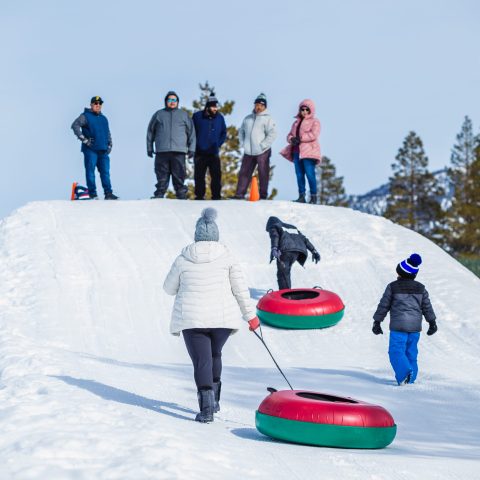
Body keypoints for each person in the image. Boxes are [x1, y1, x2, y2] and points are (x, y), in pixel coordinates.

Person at [163, 208, 260, 423]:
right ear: (216, 235)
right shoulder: (228, 258)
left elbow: (168, 288)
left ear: (196, 236)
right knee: (215, 354)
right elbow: (240, 289)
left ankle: (206, 409)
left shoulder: (182, 259)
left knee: (202, 361)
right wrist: (251, 317)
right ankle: (214, 400)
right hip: (221, 320)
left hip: (192, 319)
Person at [372, 253, 437, 385]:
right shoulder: (421, 288)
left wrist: (377, 321)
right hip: (414, 328)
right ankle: (410, 380)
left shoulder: (392, 287)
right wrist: (432, 322)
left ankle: (404, 374)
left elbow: (384, 305)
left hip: (398, 327)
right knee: (411, 353)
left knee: (396, 351)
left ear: (400, 272)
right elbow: (427, 307)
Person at [146, 91, 196, 199]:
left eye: (174, 100)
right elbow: (150, 132)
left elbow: (191, 132)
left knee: (179, 175)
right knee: (161, 175)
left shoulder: (183, 115)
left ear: (177, 102)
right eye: (170, 100)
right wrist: (149, 148)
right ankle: (159, 194)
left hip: (179, 151)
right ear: (166, 102)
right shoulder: (159, 114)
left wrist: (192, 149)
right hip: (162, 151)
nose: (172, 102)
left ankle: (181, 194)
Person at [71, 96, 118, 200]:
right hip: (91, 150)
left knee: (105, 172)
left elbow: (107, 132)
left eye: (100, 103)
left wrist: (110, 144)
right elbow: (75, 125)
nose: (98, 105)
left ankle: (108, 193)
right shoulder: (85, 116)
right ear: (91, 105)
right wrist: (84, 140)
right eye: (96, 103)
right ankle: (93, 194)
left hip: (103, 150)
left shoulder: (103, 118)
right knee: (90, 172)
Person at [232, 93, 277, 200]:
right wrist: (243, 143)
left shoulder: (268, 119)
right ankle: (239, 195)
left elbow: (272, 134)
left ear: (265, 107)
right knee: (244, 173)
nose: (259, 107)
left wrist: (263, 145)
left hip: (263, 151)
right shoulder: (247, 118)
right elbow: (241, 131)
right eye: (257, 104)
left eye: (261, 105)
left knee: (263, 173)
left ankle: (263, 195)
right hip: (248, 151)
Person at [280, 99, 321, 204]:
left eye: (307, 109)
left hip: (308, 152)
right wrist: (291, 139)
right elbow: (289, 135)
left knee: (310, 174)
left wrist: (300, 138)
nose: (304, 111)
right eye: (302, 109)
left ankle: (313, 197)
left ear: (311, 110)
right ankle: (301, 196)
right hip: (296, 152)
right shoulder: (295, 123)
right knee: (299, 174)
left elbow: (314, 134)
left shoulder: (315, 121)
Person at [266, 216, 321, 290]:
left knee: (282, 274)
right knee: (286, 273)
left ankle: (285, 296)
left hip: (285, 251)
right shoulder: (291, 228)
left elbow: (274, 236)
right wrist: (314, 251)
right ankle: (287, 293)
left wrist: (274, 248)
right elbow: (305, 240)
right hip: (297, 253)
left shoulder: (274, 226)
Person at [192, 92, 227, 200]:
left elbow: (223, 133)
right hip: (200, 152)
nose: (215, 108)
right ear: (208, 107)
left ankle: (216, 196)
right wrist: (194, 145)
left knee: (216, 176)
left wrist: (218, 144)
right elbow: (191, 132)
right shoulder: (197, 117)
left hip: (213, 152)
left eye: (216, 106)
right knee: (199, 176)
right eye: (213, 106)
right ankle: (199, 196)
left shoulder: (220, 118)